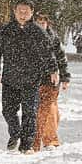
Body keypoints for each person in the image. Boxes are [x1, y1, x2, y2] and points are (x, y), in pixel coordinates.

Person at [0, 0, 59, 152]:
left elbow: (47, 52)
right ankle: (15, 133)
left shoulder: (38, 31)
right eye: (19, 11)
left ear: (31, 13)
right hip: (10, 79)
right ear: (14, 12)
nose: (22, 14)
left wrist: (53, 70)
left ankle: (26, 145)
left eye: (26, 11)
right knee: (8, 110)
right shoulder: (4, 31)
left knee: (30, 113)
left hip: (31, 79)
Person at [32, 12, 71, 151]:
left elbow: (61, 59)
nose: (41, 24)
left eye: (44, 22)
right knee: (37, 110)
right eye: (38, 22)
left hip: (51, 80)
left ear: (48, 23)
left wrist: (65, 77)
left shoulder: (53, 39)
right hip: (33, 80)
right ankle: (38, 141)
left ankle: (48, 141)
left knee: (48, 109)